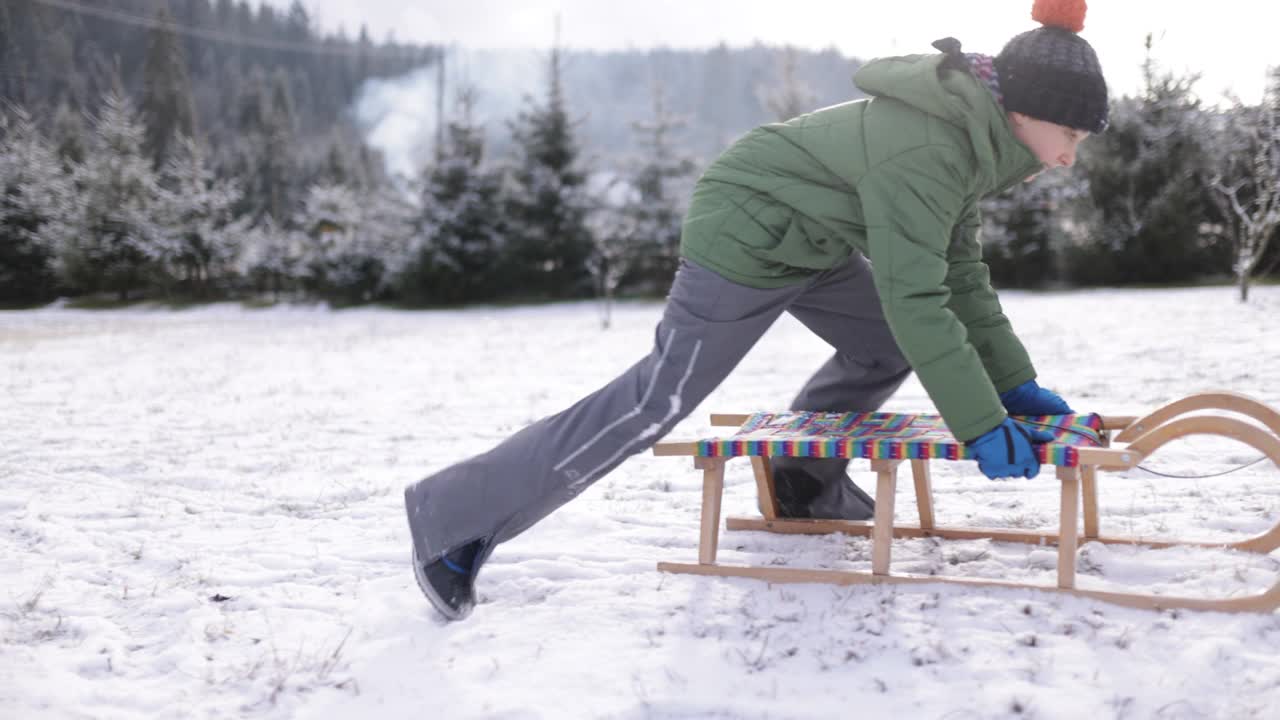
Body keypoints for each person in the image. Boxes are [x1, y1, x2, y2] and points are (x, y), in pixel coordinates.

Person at [405, 0, 1109, 620]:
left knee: (886, 343)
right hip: (743, 234)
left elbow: (960, 278)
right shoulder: (930, 150)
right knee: (659, 398)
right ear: (1023, 112)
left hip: (811, 236)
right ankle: (452, 520)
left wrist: (1014, 385)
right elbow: (918, 299)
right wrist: (982, 424)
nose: (1071, 158)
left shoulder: (972, 143)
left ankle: (800, 477)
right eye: (1071, 137)